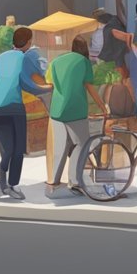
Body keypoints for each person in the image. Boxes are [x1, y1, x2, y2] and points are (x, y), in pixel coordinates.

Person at [0, 27, 50, 199]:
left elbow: (1, 78)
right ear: (28, 42)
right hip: (13, 106)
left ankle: (2, 176)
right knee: (18, 148)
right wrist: (47, 89)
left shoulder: (2, 57)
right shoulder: (24, 58)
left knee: (7, 147)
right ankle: (13, 184)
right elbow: (26, 83)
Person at [46, 35, 109, 196]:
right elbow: (90, 87)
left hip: (57, 110)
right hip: (76, 110)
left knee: (61, 146)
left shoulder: (57, 61)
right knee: (82, 145)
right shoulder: (84, 62)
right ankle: (74, 181)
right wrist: (103, 106)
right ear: (85, 49)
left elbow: (53, 84)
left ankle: (53, 183)